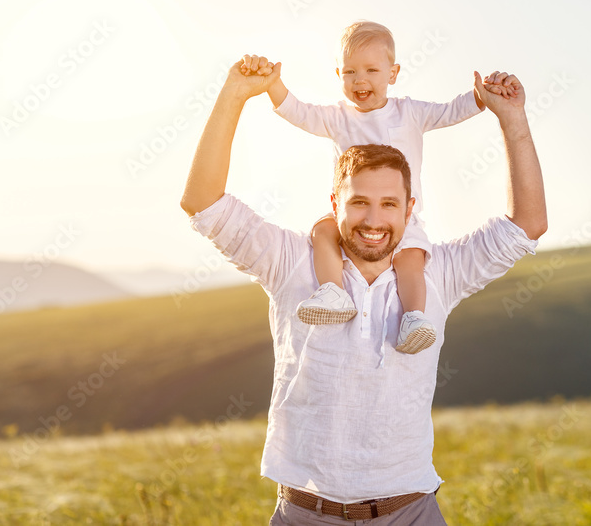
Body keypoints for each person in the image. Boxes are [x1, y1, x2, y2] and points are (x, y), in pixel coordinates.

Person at [180, 55, 546, 524]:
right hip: (304, 513)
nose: (374, 220)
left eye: (389, 204)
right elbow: (203, 203)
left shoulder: (437, 273)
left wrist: (512, 120)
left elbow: (528, 225)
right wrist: (235, 94)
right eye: (359, 203)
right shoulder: (293, 264)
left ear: (409, 209)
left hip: (410, 511)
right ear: (335, 204)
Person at [243, 21, 514, 355]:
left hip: (398, 220)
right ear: (338, 74)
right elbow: (299, 113)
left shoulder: (409, 113)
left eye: (372, 70)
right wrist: (273, 85)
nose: (360, 80)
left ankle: (414, 318)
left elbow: (450, 112)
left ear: (393, 73)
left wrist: (479, 97)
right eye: (350, 72)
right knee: (321, 232)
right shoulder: (337, 117)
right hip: (350, 220)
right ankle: (333, 292)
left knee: (411, 259)